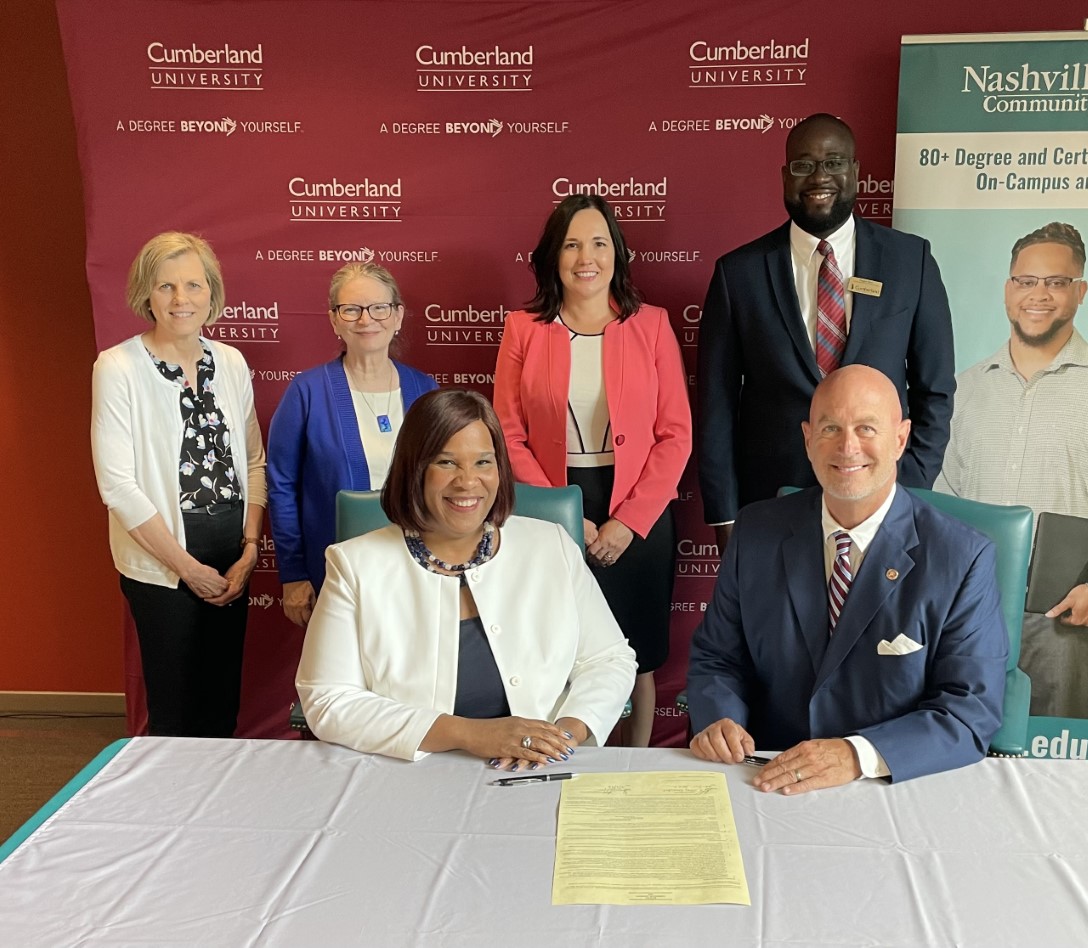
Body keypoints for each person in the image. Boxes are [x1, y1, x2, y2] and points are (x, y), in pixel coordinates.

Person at [686, 365, 1006, 790]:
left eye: (866, 428)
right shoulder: (754, 533)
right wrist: (720, 718)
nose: (847, 446)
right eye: (831, 427)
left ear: (901, 438)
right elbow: (717, 657)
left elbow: (969, 712)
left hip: (896, 785)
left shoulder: (962, 557)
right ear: (807, 439)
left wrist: (857, 754)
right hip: (766, 779)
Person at [296, 389, 637, 764]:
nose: (467, 481)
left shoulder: (550, 545)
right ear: (415, 469)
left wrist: (561, 736)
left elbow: (609, 659)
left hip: (539, 766)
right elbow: (327, 698)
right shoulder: (354, 564)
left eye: (483, 462)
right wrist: (472, 734)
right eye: (446, 462)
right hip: (407, 773)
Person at [935, 223, 1088, 719]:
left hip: (1066, 615)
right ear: (1008, 289)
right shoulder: (968, 389)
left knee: (1053, 761)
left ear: (1080, 292)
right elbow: (947, 496)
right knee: (954, 748)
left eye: (1056, 282)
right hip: (967, 611)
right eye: (1026, 281)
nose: (1038, 294)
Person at [698, 113, 955, 552]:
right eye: (803, 165)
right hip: (771, 505)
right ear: (784, 176)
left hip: (882, 499)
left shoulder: (910, 262)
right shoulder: (738, 274)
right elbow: (715, 405)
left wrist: (907, 485)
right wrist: (725, 513)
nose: (820, 177)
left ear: (855, 172)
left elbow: (935, 391)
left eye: (834, 162)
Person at [494, 194, 691, 748]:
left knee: (640, 654)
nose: (587, 256)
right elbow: (507, 434)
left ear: (617, 253)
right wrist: (563, 512)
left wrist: (627, 521)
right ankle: (565, 757)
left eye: (599, 243)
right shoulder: (523, 329)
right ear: (553, 256)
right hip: (553, 503)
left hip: (639, 510)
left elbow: (675, 434)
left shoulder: (651, 326)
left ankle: (638, 760)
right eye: (572, 243)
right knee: (561, 647)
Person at [91, 231, 267, 737]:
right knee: (175, 715)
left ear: (212, 292)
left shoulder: (230, 361)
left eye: (193, 285)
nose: (180, 299)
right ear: (146, 294)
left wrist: (251, 548)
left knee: (221, 706)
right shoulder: (118, 367)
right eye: (165, 286)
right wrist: (189, 569)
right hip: (163, 567)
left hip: (231, 558)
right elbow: (118, 485)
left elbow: (254, 462)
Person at [268, 262, 437, 628]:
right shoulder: (306, 392)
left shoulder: (426, 391)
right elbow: (281, 486)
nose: (367, 320)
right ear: (334, 320)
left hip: (418, 567)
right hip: (334, 570)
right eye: (352, 309)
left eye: (379, 308)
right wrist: (293, 573)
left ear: (398, 316)